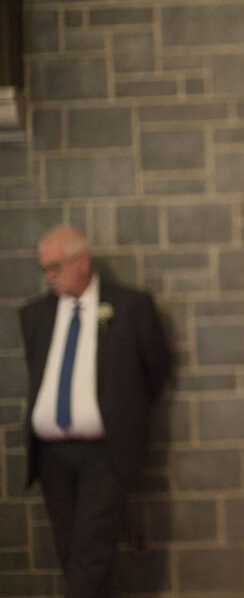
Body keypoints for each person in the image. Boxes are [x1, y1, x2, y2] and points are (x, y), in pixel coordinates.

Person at [20, 226, 171, 597]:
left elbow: (156, 370)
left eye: (56, 267)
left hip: (104, 454)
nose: (50, 277)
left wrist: (123, 415)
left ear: (82, 262)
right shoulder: (36, 315)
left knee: (90, 553)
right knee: (72, 552)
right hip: (52, 455)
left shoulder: (130, 307)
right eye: (45, 269)